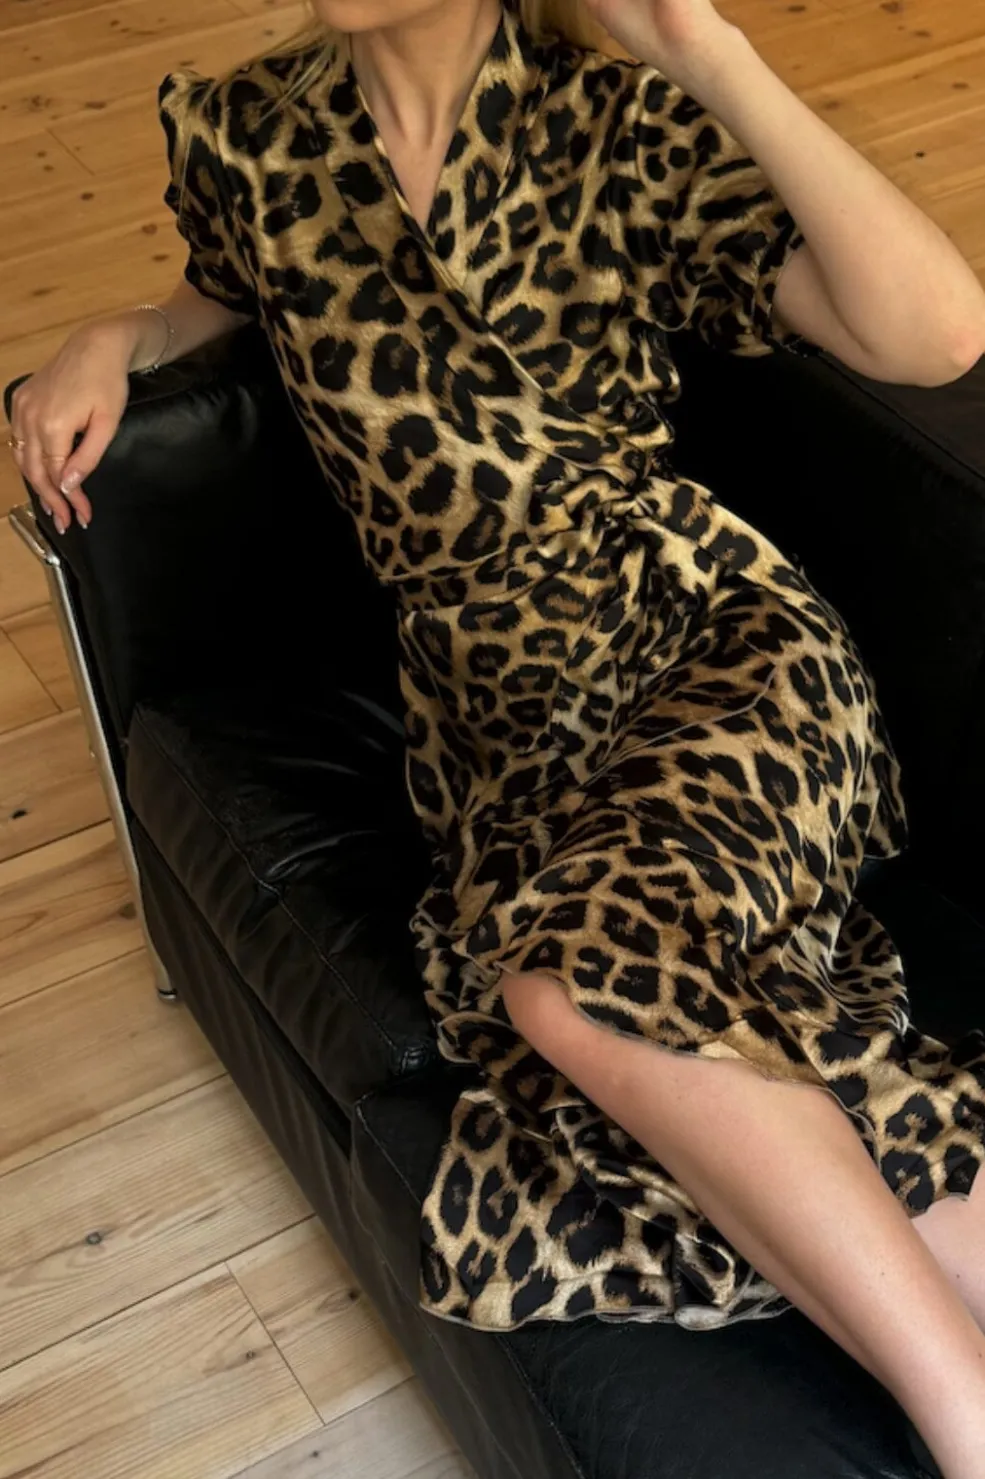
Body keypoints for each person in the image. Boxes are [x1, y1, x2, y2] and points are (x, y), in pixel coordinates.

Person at [7, 0, 985, 1469]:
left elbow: (938, 333)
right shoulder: (261, 140)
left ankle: (967, 1421)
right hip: (501, 742)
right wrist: (113, 336)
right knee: (646, 1059)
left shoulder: (612, 127)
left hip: (710, 645)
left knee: (572, 994)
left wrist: (707, 51)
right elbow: (220, 297)